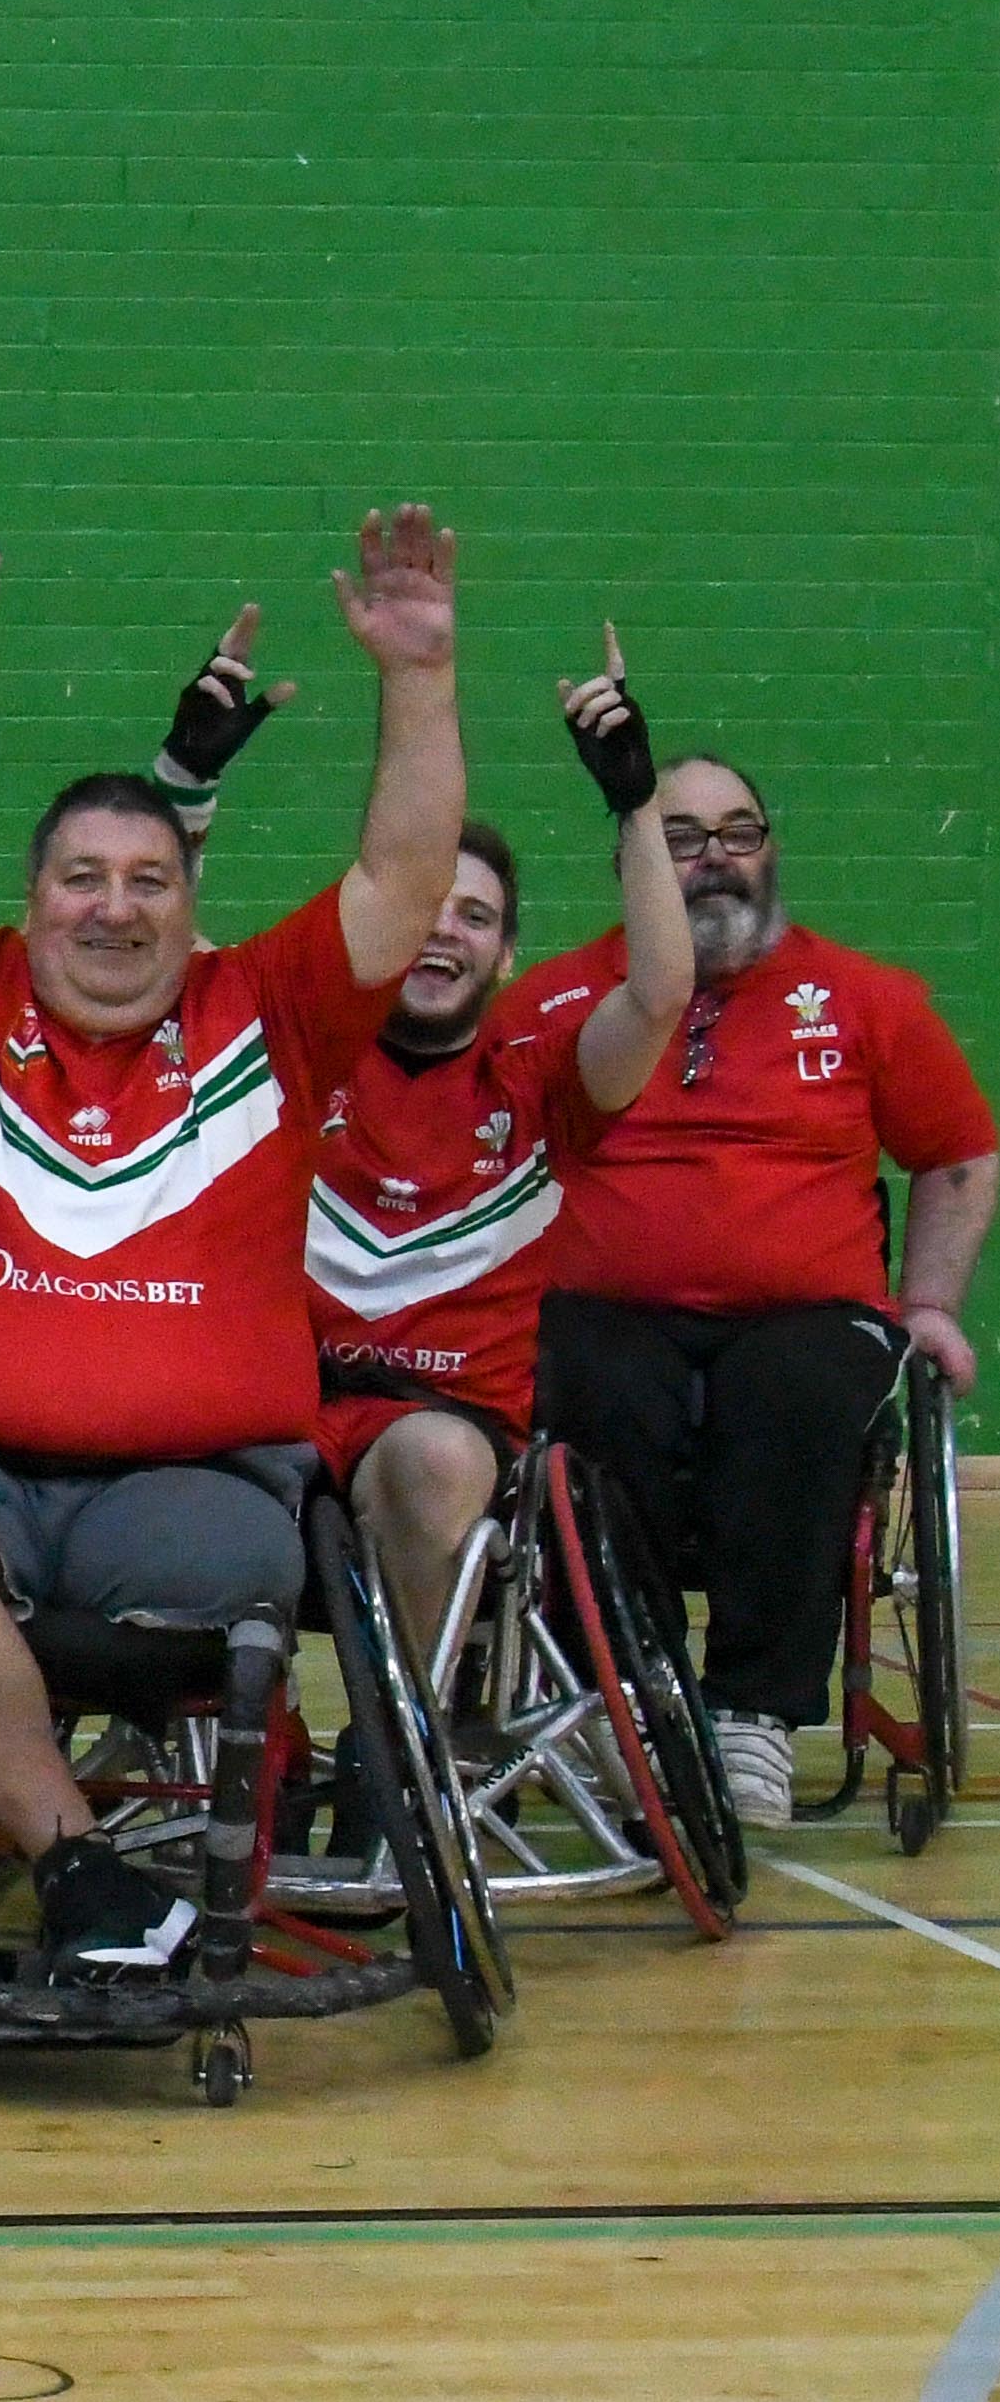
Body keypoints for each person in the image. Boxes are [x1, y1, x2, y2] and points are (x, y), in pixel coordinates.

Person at [0, 499, 469, 1970]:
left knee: (217, 1570)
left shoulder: (268, 1012)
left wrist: (417, 676)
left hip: (192, 1483)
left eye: (149, 883)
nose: (114, 908)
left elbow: (399, 879)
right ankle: (80, 1863)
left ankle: (110, 1846)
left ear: (195, 910)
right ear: (31, 896)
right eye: (83, 877)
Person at [534, 754, 993, 1824]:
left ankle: (753, 1715)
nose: (715, 862)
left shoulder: (870, 1000)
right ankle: (631, 1698)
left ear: (770, 850)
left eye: (738, 834)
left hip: (803, 1318)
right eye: (681, 840)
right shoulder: (556, 998)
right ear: (632, 864)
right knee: (584, 1378)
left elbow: (961, 1155)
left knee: (799, 1389)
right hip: (608, 1314)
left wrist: (927, 1304)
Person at [301, 635, 693, 1651]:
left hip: (442, 1422)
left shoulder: (539, 1082)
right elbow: (172, 964)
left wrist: (636, 804)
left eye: (473, 915)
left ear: (506, 952)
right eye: (424, 905)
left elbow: (660, 994)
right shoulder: (293, 1051)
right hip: (277, 1406)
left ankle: (407, 1764)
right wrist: (189, 787)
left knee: (430, 1464)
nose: (444, 931)